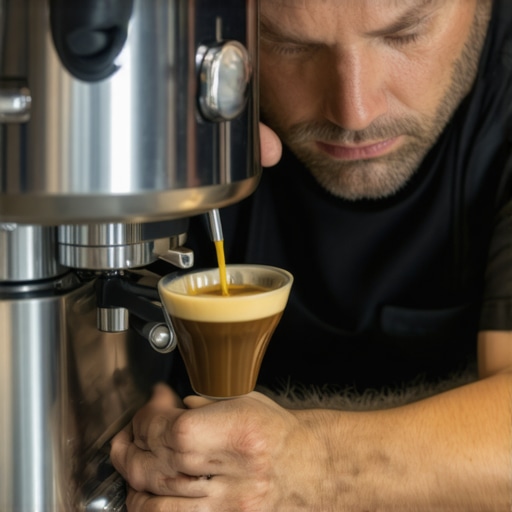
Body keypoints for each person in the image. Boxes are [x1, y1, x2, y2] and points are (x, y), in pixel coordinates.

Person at [110, 0, 512, 509]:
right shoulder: (170, 58)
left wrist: (311, 467)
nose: (354, 111)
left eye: (405, 34)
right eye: (290, 44)